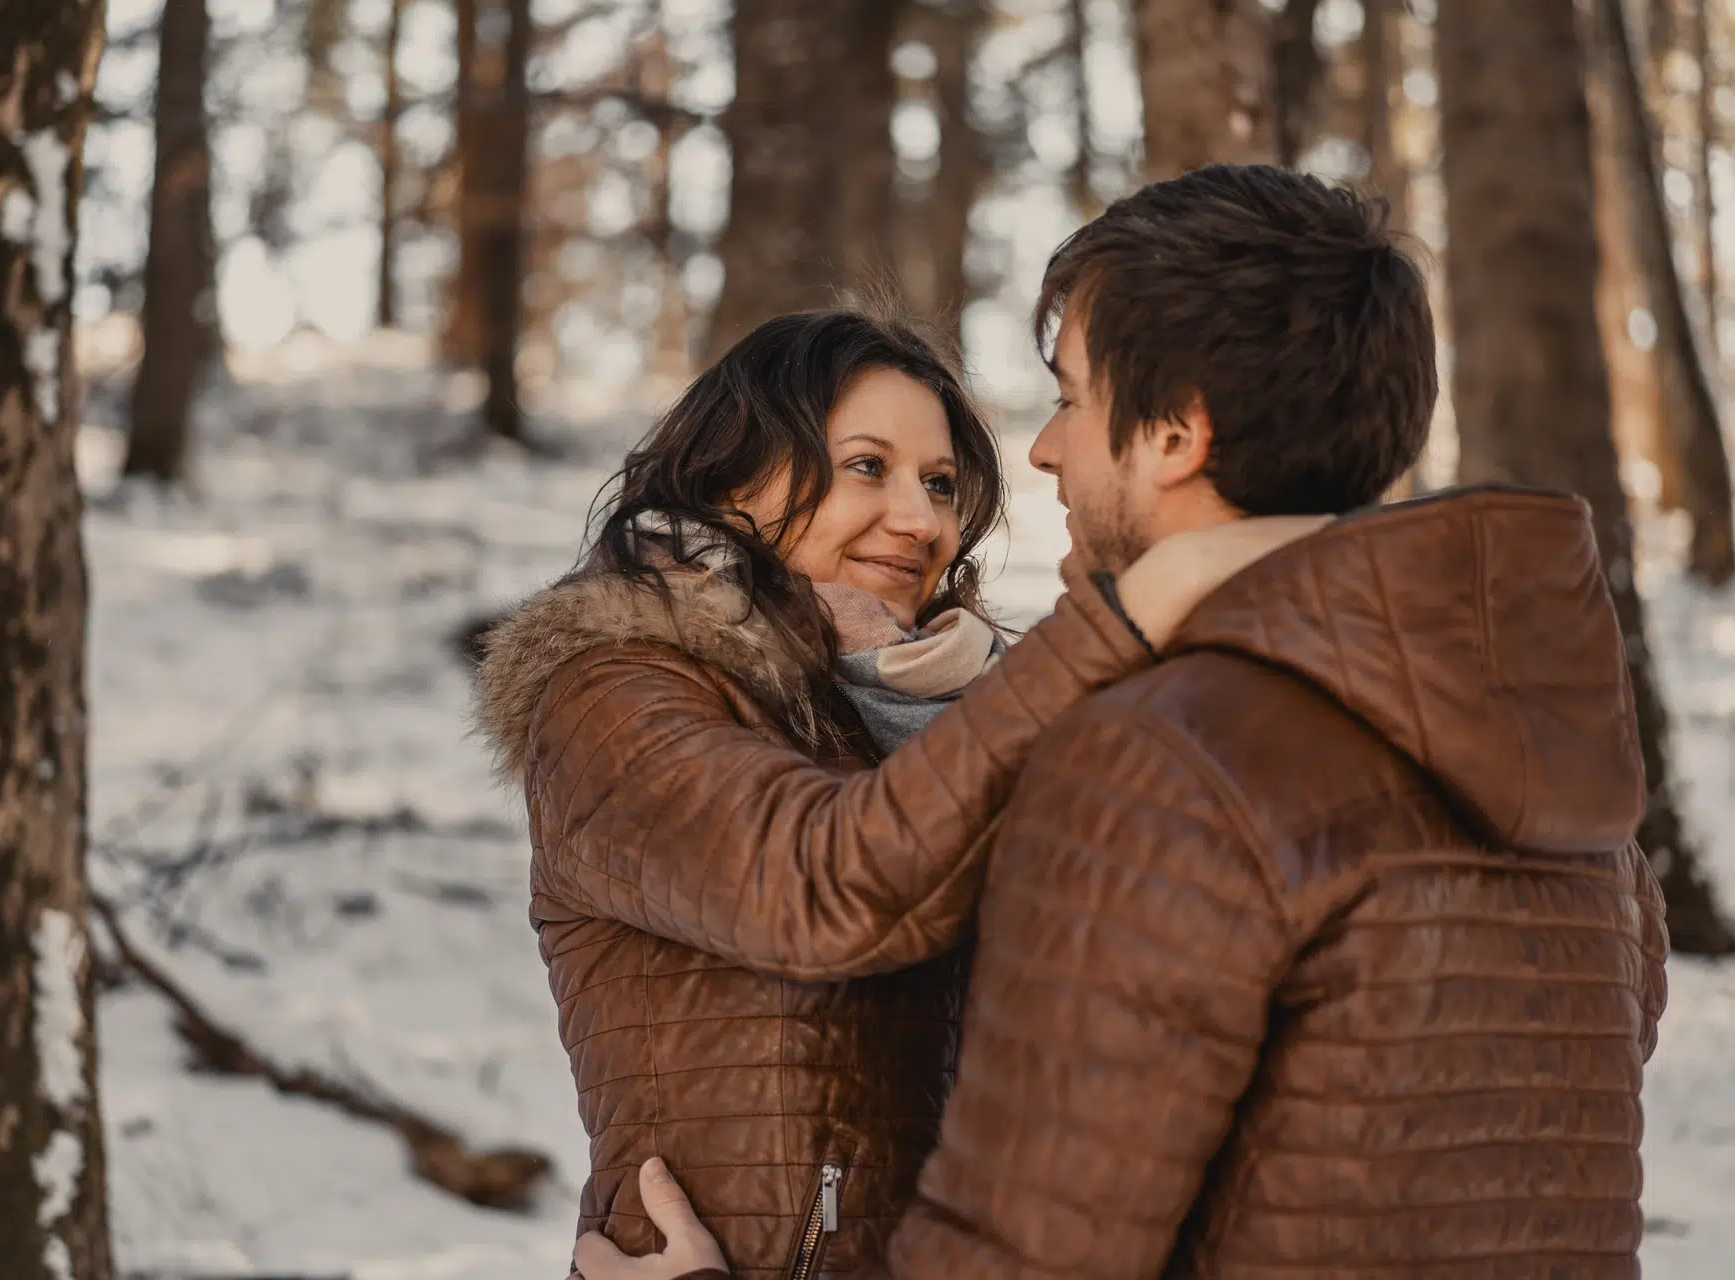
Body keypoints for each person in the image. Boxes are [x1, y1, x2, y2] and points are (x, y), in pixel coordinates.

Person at [575, 164, 1669, 1280]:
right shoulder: (1532, 751)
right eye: (867, 467)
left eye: (1070, 397)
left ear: (1177, 433)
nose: (1041, 451)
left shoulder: (1155, 753)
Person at [473, 307, 1319, 1280]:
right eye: (867, 466)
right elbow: (826, 884)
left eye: (941, 483)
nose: (921, 521)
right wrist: (1112, 630)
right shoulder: (615, 694)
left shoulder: (974, 716)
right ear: (727, 477)